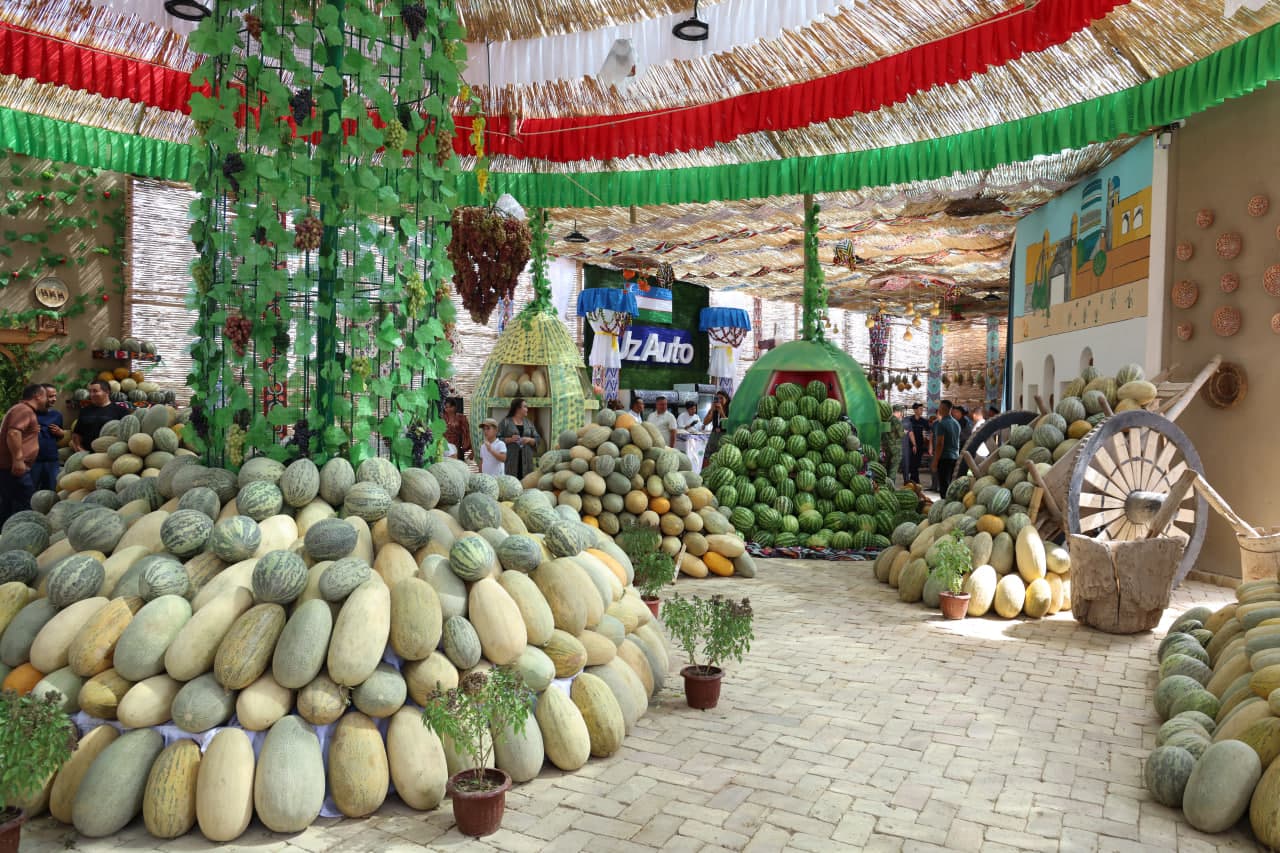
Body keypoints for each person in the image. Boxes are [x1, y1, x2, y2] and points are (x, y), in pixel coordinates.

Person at [0, 384, 49, 523]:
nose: (47, 400)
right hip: (14, 468)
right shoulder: (24, 410)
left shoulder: (22, 410)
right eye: (45, 396)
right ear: (37, 396)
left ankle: (7, 531)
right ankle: (18, 531)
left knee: (9, 505)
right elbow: (13, 433)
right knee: (25, 504)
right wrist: (18, 459)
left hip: (12, 468)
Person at [71, 379, 129, 451]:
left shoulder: (120, 410)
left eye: (95, 391)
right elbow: (77, 433)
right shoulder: (85, 410)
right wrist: (79, 447)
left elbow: (126, 433)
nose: (91, 394)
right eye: (90, 391)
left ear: (107, 392)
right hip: (85, 452)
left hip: (109, 453)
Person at [499, 398, 540, 479]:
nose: (527, 409)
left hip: (527, 459)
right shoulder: (505, 422)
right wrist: (510, 439)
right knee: (511, 482)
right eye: (525, 407)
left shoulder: (529, 423)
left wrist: (529, 440)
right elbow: (497, 439)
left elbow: (537, 438)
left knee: (526, 481)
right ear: (518, 408)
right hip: (511, 459)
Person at [33, 383, 63, 493]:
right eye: (50, 396)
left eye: (55, 396)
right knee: (30, 492)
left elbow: (59, 438)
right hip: (33, 461)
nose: (54, 399)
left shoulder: (57, 415)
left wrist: (60, 433)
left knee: (51, 492)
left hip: (52, 460)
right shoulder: (29, 414)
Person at [931, 399, 962, 497]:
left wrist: (935, 461)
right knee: (952, 484)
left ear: (942, 408)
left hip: (944, 457)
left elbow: (940, 444)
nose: (938, 409)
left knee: (944, 485)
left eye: (939, 407)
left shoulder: (941, 424)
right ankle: (952, 502)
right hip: (955, 457)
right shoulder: (956, 423)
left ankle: (945, 503)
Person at [905, 402, 930, 485]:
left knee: (916, 463)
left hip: (920, 445)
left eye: (922, 409)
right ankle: (914, 480)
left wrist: (927, 440)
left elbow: (929, 432)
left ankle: (913, 480)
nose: (922, 411)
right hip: (910, 445)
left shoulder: (924, 421)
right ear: (915, 410)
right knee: (911, 462)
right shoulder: (909, 420)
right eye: (920, 409)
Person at [701, 390, 731, 458]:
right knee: (709, 456)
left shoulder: (730, 409)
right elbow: (705, 422)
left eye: (721, 398)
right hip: (714, 435)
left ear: (726, 399)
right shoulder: (715, 409)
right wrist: (711, 410)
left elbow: (728, 424)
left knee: (721, 456)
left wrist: (721, 411)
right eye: (717, 398)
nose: (719, 400)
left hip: (724, 435)